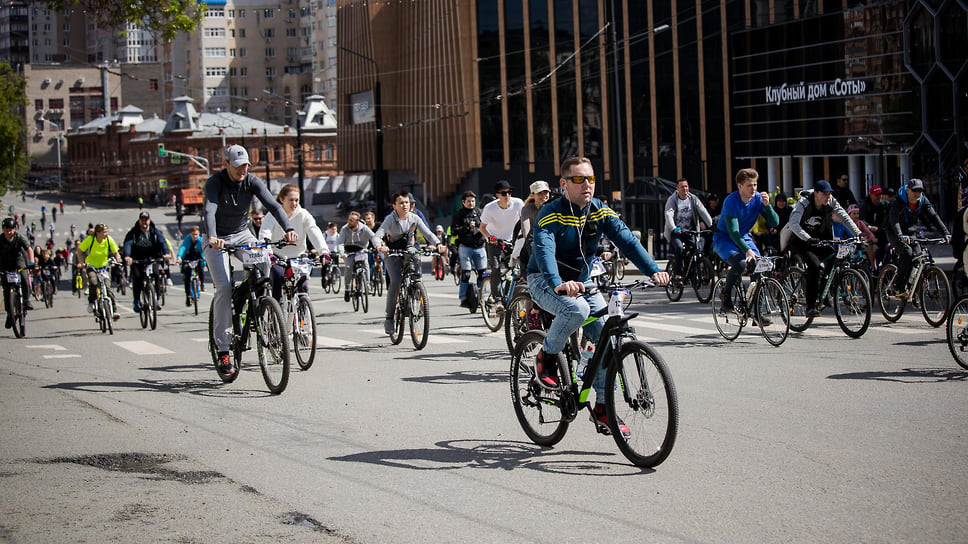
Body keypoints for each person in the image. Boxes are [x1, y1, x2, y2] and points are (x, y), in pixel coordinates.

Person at [527, 157, 668, 436]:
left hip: (582, 282)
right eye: (579, 180)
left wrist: (653, 271)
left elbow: (627, 240)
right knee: (576, 311)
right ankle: (546, 356)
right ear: (564, 184)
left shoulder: (600, 211)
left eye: (590, 179)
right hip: (544, 280)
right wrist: (557, 283)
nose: (587, 185)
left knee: (607, 336)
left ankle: (603, 407)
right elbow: (543, 251)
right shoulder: (550, 213)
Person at [204, 145, 298, 376]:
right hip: (217, 238)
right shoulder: (215, 182)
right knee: (224, 288)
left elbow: (274, 205)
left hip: (242, 234)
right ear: (226, 164)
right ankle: (224, 349)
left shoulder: (252, 181)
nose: (242, 170)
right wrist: (213, 237)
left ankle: (261, 304)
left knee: (265, 260)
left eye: (245, 165)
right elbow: (209, 210)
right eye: (237, 166)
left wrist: (288, 228)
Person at [784, 180, 862, 316]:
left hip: (820, 239)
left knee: (834, 257)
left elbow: (844, 217)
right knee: (814, 265)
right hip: (802, 241)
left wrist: (858, 234)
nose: (827, 196)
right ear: (816, 193)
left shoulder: (831, 202)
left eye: (829, 194)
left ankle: (824, 292)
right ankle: (810, 306)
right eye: (825, 194)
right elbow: (793, 223)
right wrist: (807, 238)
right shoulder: (804, 203)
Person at [374, 192, 446, 334]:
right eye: (401, 203)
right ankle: (389, 317)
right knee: (395, 281)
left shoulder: (414, 218)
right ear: (394, 206)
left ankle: (415, 294)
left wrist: (438, 244)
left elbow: (428, 234)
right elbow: (378, 235)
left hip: (409, 250)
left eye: (406, 202)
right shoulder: (390, 219)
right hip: (392, 252)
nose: (404, 205)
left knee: (416, 276)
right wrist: (380, 246)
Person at [713, 168, 779, 312]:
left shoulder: (757, 199)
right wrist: (747, 251)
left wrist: (768, 206)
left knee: (761, 266)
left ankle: (757, 311)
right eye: (749, 185)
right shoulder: (731, 201)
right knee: (741, 264)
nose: (753, 188)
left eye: (755, 185)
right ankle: (725, 295)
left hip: (743, 236)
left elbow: (774, 223)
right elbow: (733, 231)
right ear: (740, 186)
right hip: (725, 238)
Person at [258, 183, 329, 304]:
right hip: (277, 256)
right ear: (281, 199)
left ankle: (303, 314)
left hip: (298, 256)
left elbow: (314, 230)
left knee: (302, 282)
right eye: (291, 200)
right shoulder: (272, 215)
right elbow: (264, 234)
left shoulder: (303, 214)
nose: (294, 204)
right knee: (278, 275)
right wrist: (269, 253)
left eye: (297, 200)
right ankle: (276, 311)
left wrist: (324, 251)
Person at [885, 178, 951, 298]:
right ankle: (898, 287)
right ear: (908, 190)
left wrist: (946, 233)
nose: (917, 194)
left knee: (918, 257)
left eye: (920, 191)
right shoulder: (898, 200)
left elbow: (933, 216)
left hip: (910, 231)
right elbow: (893, 219)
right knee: (907, 253)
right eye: (915, 191)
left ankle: (913, 289)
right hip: (894, 231)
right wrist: (900, 234)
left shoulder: (922, 200)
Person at [479, 180, 524, 310]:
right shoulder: (490, 208)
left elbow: (523, 222)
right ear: (497, 195)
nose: (507, 195)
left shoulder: (518, 203)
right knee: (496, 268)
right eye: (504, 193)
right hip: (495, 241)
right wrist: (490, 237)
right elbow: (482, 228)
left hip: (512, 241)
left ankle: (515, 295)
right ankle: (498, 300)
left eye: (509, 192)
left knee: (518, 268)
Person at [123, 211, 176, 313]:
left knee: (156, 274)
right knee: (137, 278)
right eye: (142, 220)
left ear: (149, 220)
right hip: (137, 258)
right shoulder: (133, 232)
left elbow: (163, 242)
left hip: (153, 257)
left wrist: (166, 253)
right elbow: (128, 244)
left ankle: (156, 299)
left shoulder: (155, 231)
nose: (144, 222)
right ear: (139, 221)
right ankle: (137, 300)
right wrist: (128, 256)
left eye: (146, 220)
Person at [663, 178, 713, 279]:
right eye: (682, 187)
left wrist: (712, 225)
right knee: (679, 248)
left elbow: (703, 211)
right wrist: (673, 228)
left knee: (696, 248)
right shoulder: (672, 199)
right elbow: (669, 214)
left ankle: (691, 272)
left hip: (689, 232)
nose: (685, 189)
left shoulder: (693, 199)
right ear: (677, 188)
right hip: (676, 232)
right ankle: (678, 274)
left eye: (686, 186)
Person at [450, 190, 487, 310]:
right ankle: (463, 298)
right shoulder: (458, 214)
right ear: (463, 202)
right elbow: (454, 231)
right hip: (465, 247)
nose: (471, 203)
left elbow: (487, 226)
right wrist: (466, 227)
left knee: (483, 274)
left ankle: (483, 298)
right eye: (468, 201)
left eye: (473, 201)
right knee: (466, 274)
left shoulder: (480, 212)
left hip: (479, 246)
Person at [76, 223, 120, 320]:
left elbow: (116, 251)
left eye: (107, 232)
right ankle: (92, 302)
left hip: (104, 267)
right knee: (93, 282)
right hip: (92, 267)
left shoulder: (108, 239)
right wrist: (81, 262)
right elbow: (79, 251)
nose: (106, 234)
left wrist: (118, 258)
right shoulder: (90, 240)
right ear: (98, 233)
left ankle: (115, 310)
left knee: (108, 288)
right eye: (104, 232)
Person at [337, 211, 380, 301]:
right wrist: (342, 253)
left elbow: (373, 237)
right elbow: (340, 242)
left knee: (366, 264)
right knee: (349, 266)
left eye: (352, 220)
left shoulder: (364, 228)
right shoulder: (344, 229)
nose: (349, 222)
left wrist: (378, 246)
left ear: (357, 221)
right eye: (349, 220)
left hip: (361, 250)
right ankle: (347, 289)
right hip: (348, 251)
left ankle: (367, 286)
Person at [0, 217, 35, 327]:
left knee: (24, 276)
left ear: (15, 229)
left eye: (11, 230)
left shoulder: (19, 237)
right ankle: (9, 313)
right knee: (6, 288)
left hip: (18, 260)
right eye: (6, 230)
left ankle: (26, 300)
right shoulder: (0, 239)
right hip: (5, 262)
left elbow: (29, 249)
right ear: (3, 230)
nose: (9, 232)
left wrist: (32, 262)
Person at [511, 180, 552, 269]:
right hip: (531, 241)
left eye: (546, 192)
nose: (544, 196)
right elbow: (526, 229)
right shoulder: (526, 209)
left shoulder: (554, 207)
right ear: (533, 195)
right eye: (540, 193)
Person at [177, 225, 207, 306]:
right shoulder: (187, 239)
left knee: (201, 267)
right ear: (190, 234)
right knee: (187, 276)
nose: (195, 236)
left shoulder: (200, 240)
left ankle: (202, 284)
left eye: (196, 234)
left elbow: (204, 250)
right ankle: (188, 296)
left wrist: (205, 257)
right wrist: (179, 257)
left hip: (198, 258)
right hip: (188, 258)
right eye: (193, 234)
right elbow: (183, 248)